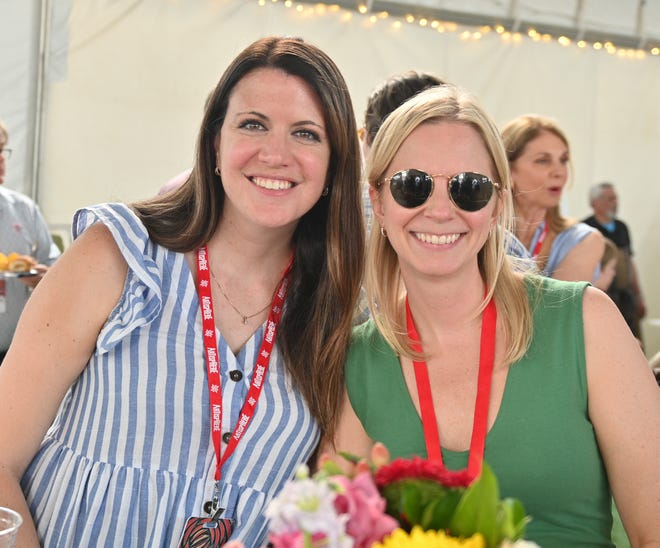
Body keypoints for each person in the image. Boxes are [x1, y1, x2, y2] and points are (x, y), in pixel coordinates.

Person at [0, 36, 364, 547]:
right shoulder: (118, 256)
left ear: (333, 166)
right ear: (215, 144)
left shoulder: (341, 313)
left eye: (306, 134)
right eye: (253, 124)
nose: (276, 153)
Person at [327, 85, 660, 546]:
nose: (440, 210)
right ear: (379, 201)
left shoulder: (583, 322)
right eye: (412, 185)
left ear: (497, 204)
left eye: (468, 188)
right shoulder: (358, 362)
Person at [501, 114, 610, 286]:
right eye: (543, 161)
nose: (559, 172)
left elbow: (554, 310)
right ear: (506, 169)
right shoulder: (481, 234)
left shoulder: (583, 240)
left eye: (563, 160)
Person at [0, 118, 60, 364]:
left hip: (12, 357)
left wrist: (38, 275)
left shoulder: (24, 210)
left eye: (2, 149)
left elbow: (57, 274)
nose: (1, 159)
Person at [583, 181, 646, 341]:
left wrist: (638, 295)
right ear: (595, 203)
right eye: (610, 199)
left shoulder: (621, 227)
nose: (615, 203)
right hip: (602, 295)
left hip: (625, 297)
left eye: (616, 199)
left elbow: (629, 260)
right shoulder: (585, 229)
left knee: (633, 341)